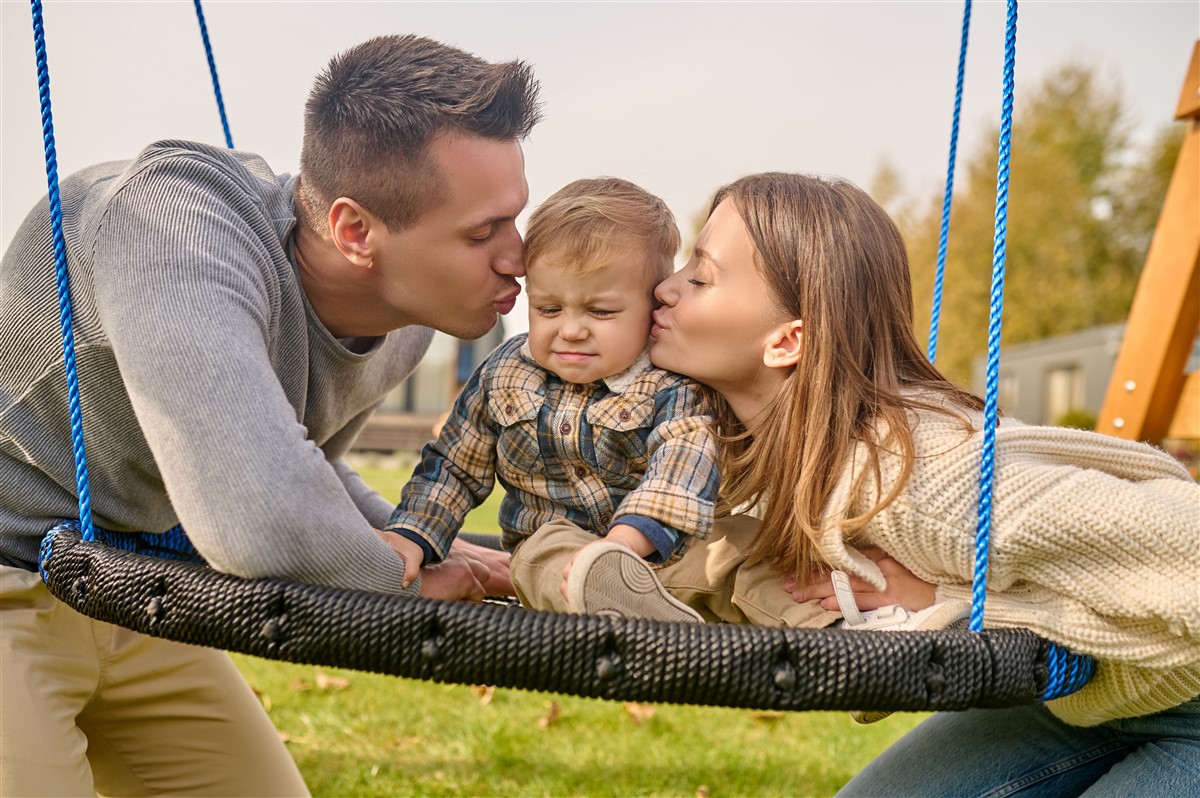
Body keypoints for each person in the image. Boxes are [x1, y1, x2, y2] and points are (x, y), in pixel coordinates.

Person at [0, 35, 540, 796]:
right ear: (354, 230)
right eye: (483, 232)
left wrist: (416, 540)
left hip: (133, 588)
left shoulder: (407, 322)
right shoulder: (171, 223)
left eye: (514, 219)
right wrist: (401, 582)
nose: (518, 256)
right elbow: (257, 515)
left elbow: (298, 456)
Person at [640, 171, 1199, 796]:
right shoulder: (779, 448)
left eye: (700, 276)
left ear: (787, 340)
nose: (664, 289)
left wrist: (957, 598)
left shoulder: (923, 483)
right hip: (1087, 698)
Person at [385, 177, 723, 621]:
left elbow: (683, 463)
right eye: (549, 309)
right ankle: (622, 605)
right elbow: (453, 467)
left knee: (740, 549)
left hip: (670, 556)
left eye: (600, 311)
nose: (571, 329)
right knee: (539, 551)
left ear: (652, 307)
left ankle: (823, 621)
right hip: (558, 564)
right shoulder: (505, 372)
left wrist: (622, 545)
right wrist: (412, 534)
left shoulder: (670, 384)